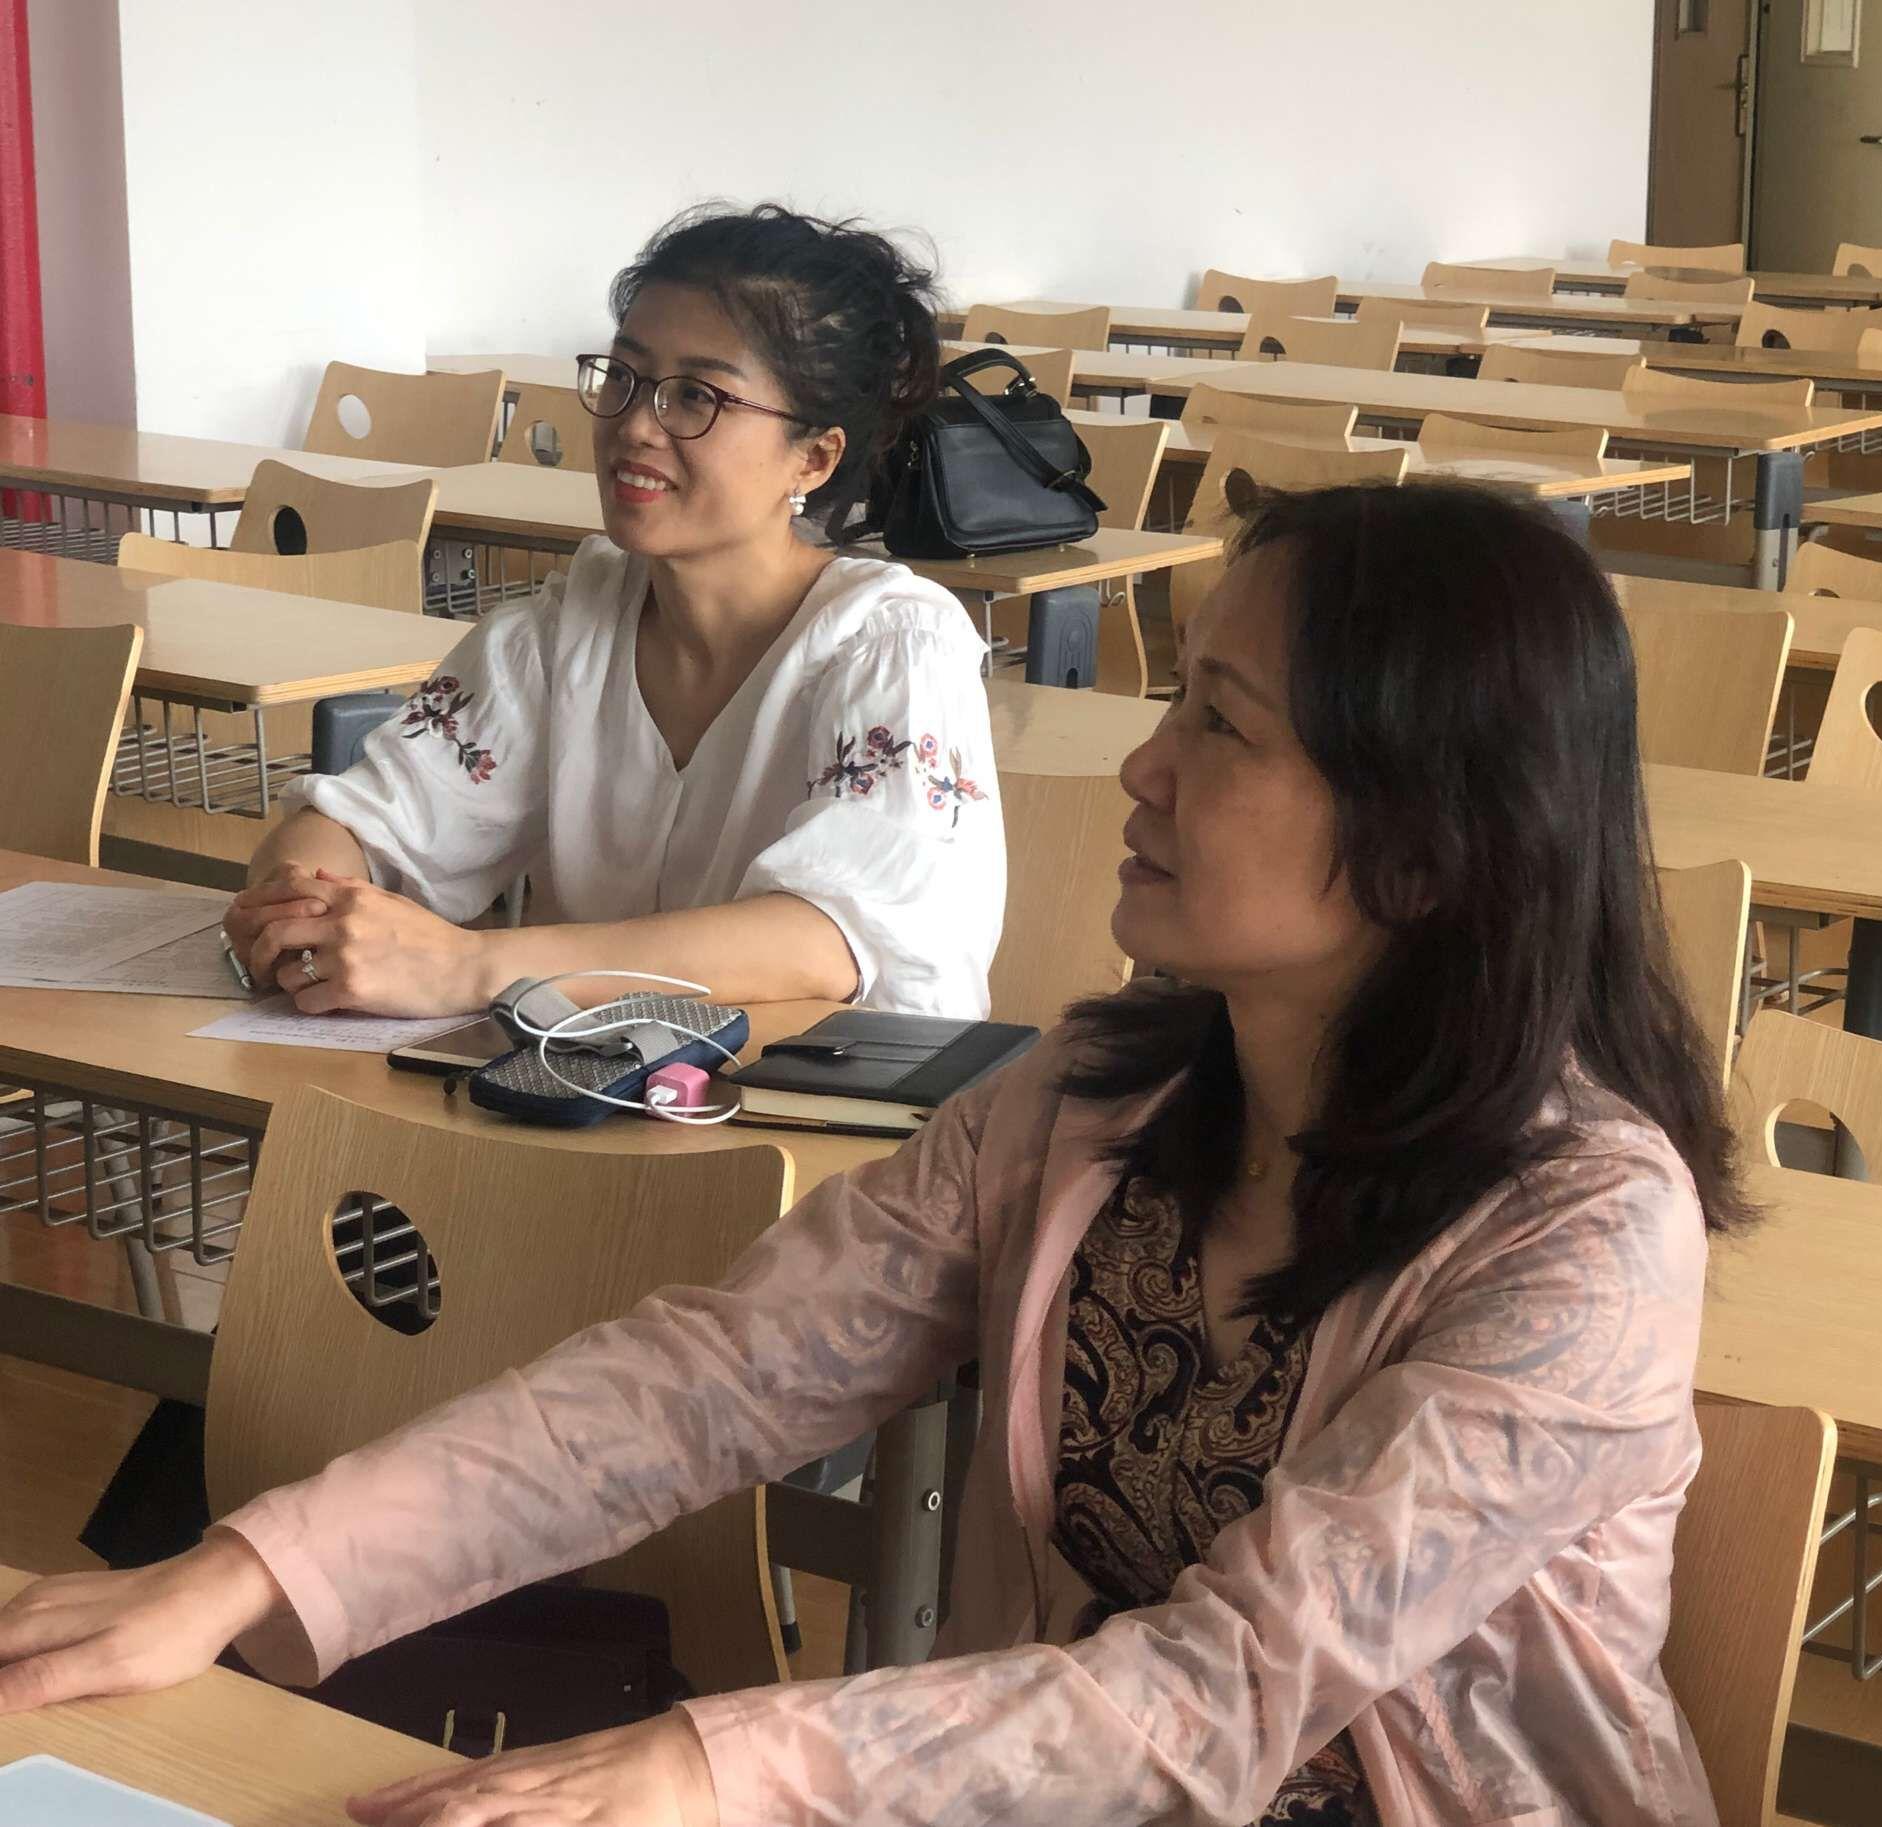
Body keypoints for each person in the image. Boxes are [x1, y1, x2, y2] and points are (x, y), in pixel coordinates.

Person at [1, 481, 1750, 1827]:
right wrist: (242, 1574)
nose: (1141, 766)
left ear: (1427, 841)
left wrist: (712, 1766)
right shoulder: (1088, 1103)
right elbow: (705, 1380)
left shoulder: (1585, 1236)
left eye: (1220, 724)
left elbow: (1230, 1685)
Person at [222, 203, 1004, 1021]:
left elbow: (827, 940)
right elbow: (368, 819)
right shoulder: (564, 631)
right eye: (624, 379)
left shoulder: (891, 644)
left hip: (813, 1091)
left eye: (696, 396)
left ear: (813, 457)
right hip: (592, 1082)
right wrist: (303, 901)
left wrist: (474, 964)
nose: (634, 427)